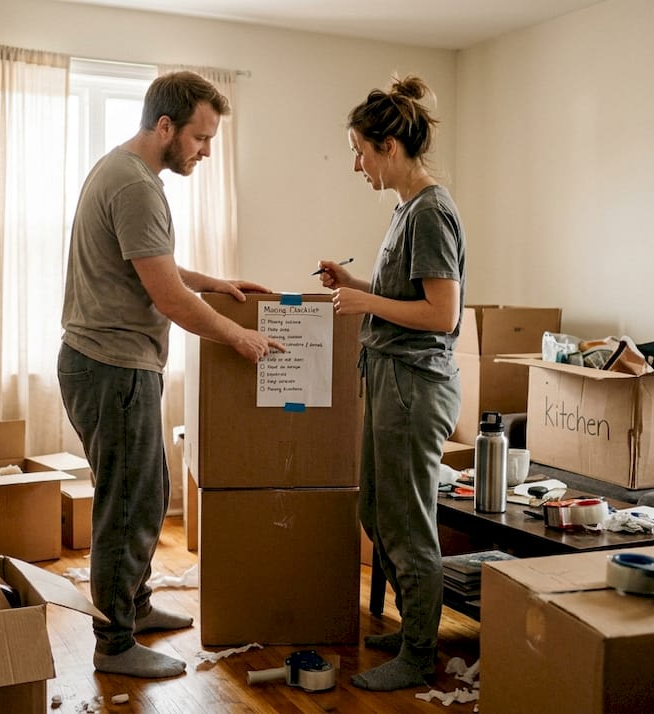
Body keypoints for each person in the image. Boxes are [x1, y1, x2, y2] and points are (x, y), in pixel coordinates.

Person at [58, 71, 285, 679]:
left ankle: (135, 606)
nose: (206, 151)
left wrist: (216, 283)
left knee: (145, 494)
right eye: (200, 138)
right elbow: (167, 297)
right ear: (165, 126)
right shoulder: (136, 185)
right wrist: (237, 335)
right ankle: (114, 644)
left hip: (109, 364)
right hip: (113, 368)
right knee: (127, 507)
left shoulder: (126, 172)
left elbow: (155, 265)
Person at [317, 74, 465, 691]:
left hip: (414, 385)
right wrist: (356, 286)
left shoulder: (430, 212)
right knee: (377, 510)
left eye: (360, 151)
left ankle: (420, 653)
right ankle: (411, 632)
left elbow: (443, 314)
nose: (357, 165)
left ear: (390, 147)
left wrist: (365, 304)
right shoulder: (407, 209)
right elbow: (407, 296)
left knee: (406, 520)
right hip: (389, 377)